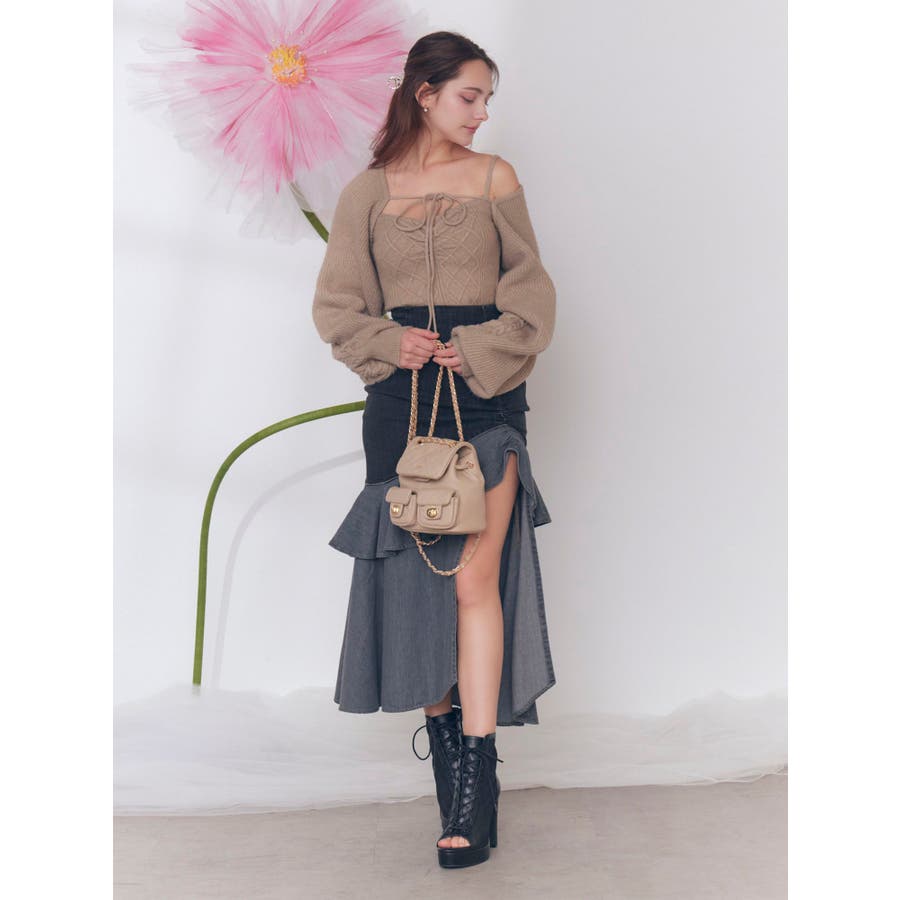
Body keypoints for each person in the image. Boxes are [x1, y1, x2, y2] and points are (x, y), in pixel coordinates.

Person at [312, 30, 557, 869]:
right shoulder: (365, 193)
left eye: (487, 99)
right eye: (469, 96)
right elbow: (337, 306)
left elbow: (532, 296)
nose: (481, 114)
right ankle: (449, 764)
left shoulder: (495, 180)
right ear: (425, 94)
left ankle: (477, 780)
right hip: (401, 408)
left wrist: (477, 348)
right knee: (423, 586)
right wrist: (392, 342)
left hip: (485, 400)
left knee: (474, 583)